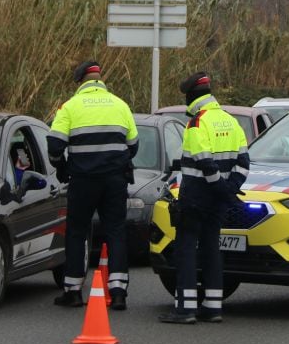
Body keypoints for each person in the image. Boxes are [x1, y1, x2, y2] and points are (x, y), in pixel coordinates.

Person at [159, 71, 250, 324]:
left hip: (197, 195)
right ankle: (213, 306)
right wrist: (230, 190)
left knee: (186, 248)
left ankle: (185, 309)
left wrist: (220, 187)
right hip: (219, 199)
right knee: (212, 247)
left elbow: (204, 163)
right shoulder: (232, 122)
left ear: (191, 97)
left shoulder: (197, 123)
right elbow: (243, 163)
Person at [47, 60, 138, 310]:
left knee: (77, 232)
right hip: (114, 180)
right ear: (100, 80)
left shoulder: (70, 106)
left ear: (81, 82)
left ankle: (73, 291)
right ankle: (118, 292)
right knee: (116, 231)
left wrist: (62, 166)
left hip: (83, 180)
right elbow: (133, 145)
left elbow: (54, 146)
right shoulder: (120, 105)